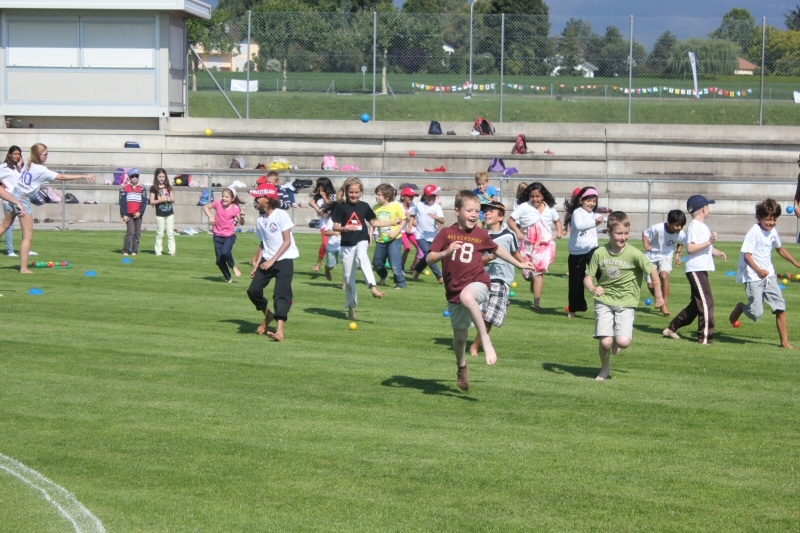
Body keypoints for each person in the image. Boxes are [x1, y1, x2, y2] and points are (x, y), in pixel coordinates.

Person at [427, 190, 533, 391]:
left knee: (468, 295)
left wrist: (519, 264)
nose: (475, 214)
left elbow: (497, 249)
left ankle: (486, 340)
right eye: (469, 210)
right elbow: (428, 257)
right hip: (453, 292)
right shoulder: (446, 234)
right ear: (457, 211)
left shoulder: (481, 234)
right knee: (459, 339)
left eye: (477, 211)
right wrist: (446, 252)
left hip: (480, 284)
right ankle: (461, 366)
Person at [585, 212, 664, 381]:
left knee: (623, 342)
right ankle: (605, 369)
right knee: (605, 342)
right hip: (604, 300)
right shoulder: (599, 253)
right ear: (608, 232)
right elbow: (587, 278)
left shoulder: (634, 254)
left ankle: (616, 341)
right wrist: (592, 288)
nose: (623, 237)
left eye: (626, 233)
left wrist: (659, 296)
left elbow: (653, 271)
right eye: (619, 233)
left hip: (627, 302)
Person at [0, 143, 94, 273]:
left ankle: (24, 267)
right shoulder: (39, 168)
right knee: (28, 235)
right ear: (39, 155)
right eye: (45, 154)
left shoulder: (29, 164)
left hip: (15, 194)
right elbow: (61, 177)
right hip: (23, 198)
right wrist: (82, 176)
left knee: (4, 226)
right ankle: (23, 268)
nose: (47, 156)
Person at [729, 198, 800, 349]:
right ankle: (741, 307)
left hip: (770, 276)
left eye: (774, 219)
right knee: (756, 314)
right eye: (768, 219)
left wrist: (795, 262)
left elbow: (779, 248)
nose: (771, 223)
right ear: (759, 217)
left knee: (780, 307)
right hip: (753, 276)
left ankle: (785, 342)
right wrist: (758, 270)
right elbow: (747, 256)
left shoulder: (773, 232)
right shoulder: (753, 232)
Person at [331, 176, 400, 320]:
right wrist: (344, 227)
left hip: (361, 239)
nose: (354, 195)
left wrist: (392, 222)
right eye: (351, 192)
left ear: (361, 192)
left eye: (357, 192)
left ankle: (372, 286)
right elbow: (335, 226)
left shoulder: (364, 206)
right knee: (349, 279)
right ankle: (351, 307)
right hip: (346, 244)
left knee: (363, 257)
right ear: (346, 192)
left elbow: (374, 222)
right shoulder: (340, 206)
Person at [663, 195, 727, 344]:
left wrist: (718, 252)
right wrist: (709, 241)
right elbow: (691, 248)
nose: (709, 209)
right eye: (708, 206)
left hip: (701, 269)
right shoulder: (694, 226)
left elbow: (706, 248)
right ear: (703, 208)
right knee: (706, 303)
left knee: (696, 304)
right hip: (695, 269)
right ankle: (705, 337)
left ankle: (672, 328)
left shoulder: (702, 227)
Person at [469, 201, 524, 357]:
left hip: (502, 280)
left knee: (490, 316)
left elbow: (514, 253)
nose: (487, 213)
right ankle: (478, 343)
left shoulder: (509, 235)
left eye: (491, 211)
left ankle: (475, 345)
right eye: (485, 211)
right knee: (480, 313)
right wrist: (489, 258)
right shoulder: (480, 235)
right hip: (482, 279)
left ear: (501, 217)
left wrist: (524, 265)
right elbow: (476, 258)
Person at [247, 182, 300, 342]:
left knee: (281, 295)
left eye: (258, 197)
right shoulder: (260, 220)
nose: (255, 199)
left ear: (268, 199)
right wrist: (257, 264)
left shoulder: (281, 215)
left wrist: (271, 261)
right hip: (267, 259)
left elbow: (287, 242)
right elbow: (264, 243)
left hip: (284, 259)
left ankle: (280, 331)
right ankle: (268, 315)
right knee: (253, 291)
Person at [507, 182, 564, 310]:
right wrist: (518, 232)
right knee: (527, 274)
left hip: (544, 245)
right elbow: (510, 221)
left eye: (537, 196)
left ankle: (537, 303)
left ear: (543, 196)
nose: (535, 199)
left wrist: (559, 231)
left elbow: (557, 220)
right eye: (532, 196)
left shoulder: (550, 208)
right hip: (527, 245)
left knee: (538, 272)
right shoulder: (523, 207)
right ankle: (532, 280)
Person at [564, 186, 605, 318]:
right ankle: (574, 309)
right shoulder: (577, 212)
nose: (591, 204)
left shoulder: (593, 214)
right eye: (589, 201)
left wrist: (609, 222)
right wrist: (595, 222)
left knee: (601, 274)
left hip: (592, 249)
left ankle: (608, 301)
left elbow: (603, 219)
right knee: (576, 281)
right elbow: (580, 226)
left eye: (594, 201)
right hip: (577, 251)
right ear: (581, 200)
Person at [642, 210, 686, 316]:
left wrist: (678, 254)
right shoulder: (658, 228)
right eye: (676, 225)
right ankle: (660, 300)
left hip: (666, 256)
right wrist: (646, 244)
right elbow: (645, 234)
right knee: (651, 285)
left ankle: (664, 304)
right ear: (668, 222)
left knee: (664, 275)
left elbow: (681, 242)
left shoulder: (680, 233)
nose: (679, 228)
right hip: (650, 257)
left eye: (681, 225)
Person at [0, 145, 37, 258]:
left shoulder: (19, 167)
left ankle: (26, 249)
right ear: (10, 154)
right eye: (15, 154)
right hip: (8, 198)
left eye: (19, 154)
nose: (17, 156)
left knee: (25, 225)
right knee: (8, 225)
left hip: (21, 198)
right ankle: (10, 250)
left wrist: (21, 167)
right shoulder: (4, 167)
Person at [203, 186, 245, 283]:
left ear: (232, 199)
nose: (224, 199)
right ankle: (228, 278)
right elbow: (205, 207)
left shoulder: (235, 208)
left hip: (229, 236)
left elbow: (241, 223)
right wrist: (210, 216)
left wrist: (242, 217)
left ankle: (233, 266)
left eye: (227, 197)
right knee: (219, 261)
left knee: (225, 253)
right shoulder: (218, 204)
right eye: (223, 196)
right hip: (217, 235)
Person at [372, 183, 408, 289]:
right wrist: (370, 236)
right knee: (377, 263)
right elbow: (373, 223)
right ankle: (383, 275)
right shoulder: (375, 207)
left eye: (379, 195)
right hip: (381, 240)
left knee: (395, 264)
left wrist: (395, 233)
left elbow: (403, 220)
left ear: (387, 197)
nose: (376, 197)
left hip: (394, 240)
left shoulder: (396, 205)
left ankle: (400, 284)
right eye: (376, 194)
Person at [411, 184, 445, 283]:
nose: (431, 198)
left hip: (433, 236)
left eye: (433, 196)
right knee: (428, 254)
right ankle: (439, 276)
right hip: (420, 235)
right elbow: (412, 215)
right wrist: (410, 225)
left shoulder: (437, 207)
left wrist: (436, 217)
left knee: (427, 256)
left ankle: (417, 270)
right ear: (425, 196)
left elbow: (442, 221)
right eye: (429, 196)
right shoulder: (419, 205)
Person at [309, 177, 336, 273]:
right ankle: (319, 263)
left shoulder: (333, 196)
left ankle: (330, 264)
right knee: (325, 243)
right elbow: (323, 214)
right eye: (318, 185)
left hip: (334, 222)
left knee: (335, 245)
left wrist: (324, 198)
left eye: (321, 186)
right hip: (325, 223)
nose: (319, 188)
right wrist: (314, 204)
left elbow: (332, 208)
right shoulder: (317, 198)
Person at [119, 168, 147, 256]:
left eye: (136, 176)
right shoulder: (124, 189)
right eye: (132, 176)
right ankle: (125, 250)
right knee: (130, 232)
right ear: (129, 177)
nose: (134, 178)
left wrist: (140, 212)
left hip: (138, 214)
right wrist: (123, 215)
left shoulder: (142, 189)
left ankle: (135, 250)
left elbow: (144, 202)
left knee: (137, 233)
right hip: (128, 214)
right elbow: (122, 203)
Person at [149, 168, 176, 256]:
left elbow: (173, 199)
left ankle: (172, 250)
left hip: (169, 213)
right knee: (160, 233)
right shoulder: (154, 188)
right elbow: (151, 201)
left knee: (170, 233)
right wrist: (160, 200)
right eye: (160, 176)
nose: (162, 178)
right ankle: (158, 250)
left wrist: (170, 199)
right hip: (160, 213)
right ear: (156, 177)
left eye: (163, 176)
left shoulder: (168, 186)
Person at [399, 187, 422, 271]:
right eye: (409, 196)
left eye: (412, 196)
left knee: (420, 248)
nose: (411, 198)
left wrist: (413, 225)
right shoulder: (398, 206)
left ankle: (414, 266)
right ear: (403, 196)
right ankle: (401, 267)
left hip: (411, 231)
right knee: (407, 248)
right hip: (401, 231)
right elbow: (397, 220)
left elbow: (413, 219)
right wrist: (405, 217)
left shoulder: (414, 206)